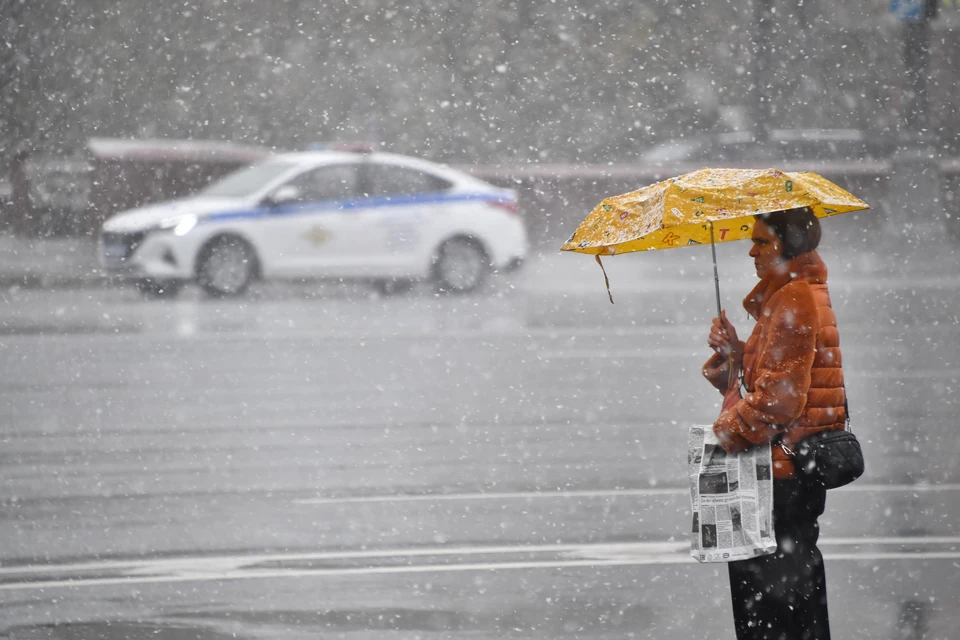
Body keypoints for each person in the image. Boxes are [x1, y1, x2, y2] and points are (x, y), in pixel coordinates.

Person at [702, 207, 846, 640]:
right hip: (789, 470)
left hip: (778, 475)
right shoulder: (792, 293)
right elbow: (781, 376)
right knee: (790, 598)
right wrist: (737, 351)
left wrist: (725, 434)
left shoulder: (794, 297)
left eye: (762, 242)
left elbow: (780, 400)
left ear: (790, 245)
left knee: (771, 606)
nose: (752, 251)